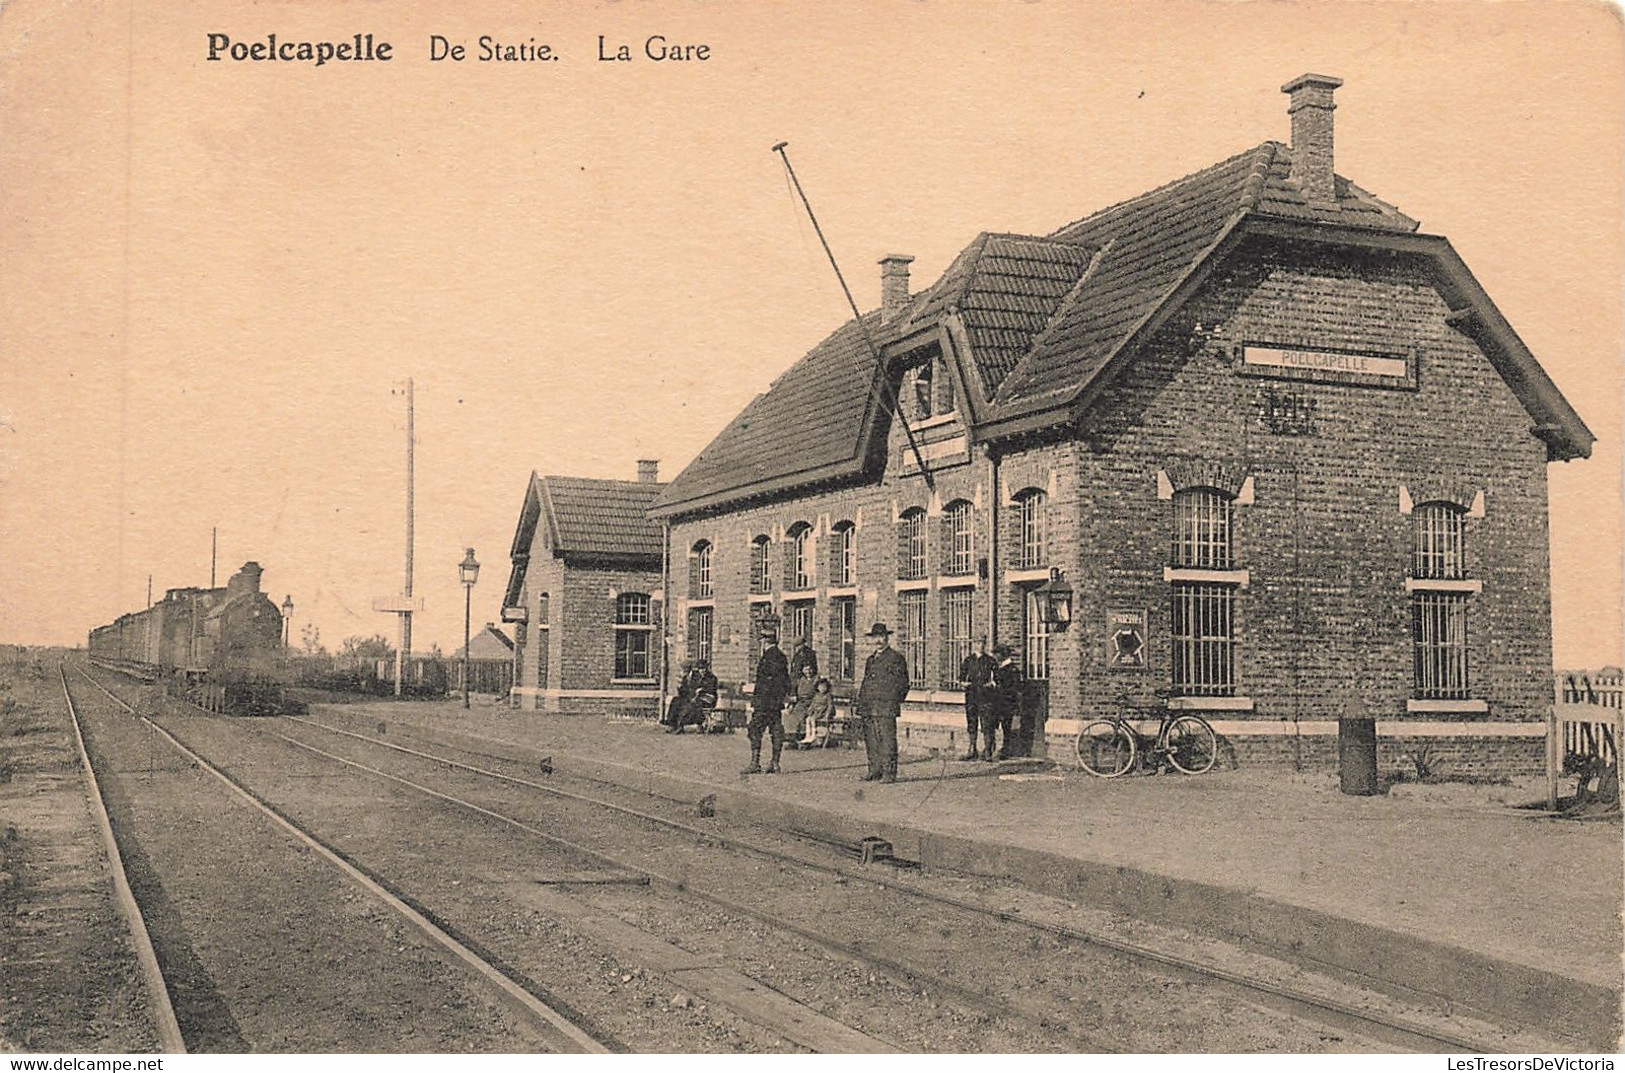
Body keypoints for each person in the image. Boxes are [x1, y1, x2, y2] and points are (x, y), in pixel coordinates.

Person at [857, 622, 910, 782]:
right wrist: (861, 702)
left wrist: (893, 700)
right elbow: (866, 682)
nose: (878, 640)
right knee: (871, 739)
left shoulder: (895, 658)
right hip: (869, 706)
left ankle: (889, 772)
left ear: (887, 638)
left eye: (881, 636)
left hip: (886, 706)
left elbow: (903, 683)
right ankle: (874, 770)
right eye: (875, 637)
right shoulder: (870, 660)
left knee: (887, 740)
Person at [743, 631, 791, 774]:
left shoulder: (768, 657)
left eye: (762, 640)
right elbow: (785, 680)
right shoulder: (781, 656)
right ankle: (775, 763)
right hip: (775, 702)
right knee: (776, 730)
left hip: (764, 701)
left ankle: (755, 763)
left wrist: (759, 699)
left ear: (765, 641)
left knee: (754, 729)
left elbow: (766, 682)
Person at [958, 637, 997, 761]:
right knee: (972, 721)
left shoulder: (990, 661)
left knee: (986, 723)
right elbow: (961, 677)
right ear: (973, 645)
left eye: (981, 643)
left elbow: (996, 678)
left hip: (986, 696)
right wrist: (963, 683)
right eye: (977, 643)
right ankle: (972, 748)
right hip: (971, 696)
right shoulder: (968, 661)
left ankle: (988, 750)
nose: (979, 645)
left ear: (984, 644)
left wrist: (992, 684)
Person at [990, 644, 1025, 759]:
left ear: (1002, 655)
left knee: (1007, 727)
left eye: (996, 654)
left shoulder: (1011, 669)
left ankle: (1006, 749)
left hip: (1007, 703)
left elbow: (1015, 687)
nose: (995, 657)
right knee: (998, 725)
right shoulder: (1002, 668)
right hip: (1000, 702)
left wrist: (999, 687)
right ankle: (996, 748)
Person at [678, 659, 718, 733]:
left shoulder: (711, 677)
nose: (702, 671)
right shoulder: (697, 677)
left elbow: (712, 689)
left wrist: (702, 689)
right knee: (681, 702)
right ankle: (676, 724)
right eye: (700, 669)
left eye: (704, 668)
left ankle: (695, 724)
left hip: (709, 698)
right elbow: (692, 688)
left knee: (695, 704)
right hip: (698, 698)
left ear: (707, 668)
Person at [785, 662, 818, 747]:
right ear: (803, 670)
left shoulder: (816, 680)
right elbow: (795, 693)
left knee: (803, 715)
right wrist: (791, 704)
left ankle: (804, 739)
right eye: (806, 669)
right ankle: (792, 738)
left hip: (812, 703)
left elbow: (819, 694)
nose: (808, 671)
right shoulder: (801, 680)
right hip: (800, 702)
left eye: (810, 669)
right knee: (792, 714)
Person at [799, 677, 835, 747]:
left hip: (822, 712)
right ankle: (808, 735)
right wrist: (809, 710)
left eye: (824, 687)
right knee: (808, 719)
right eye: (821, 687)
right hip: (815, 712)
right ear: (817, 687)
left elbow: (830, 706)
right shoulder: (816, 695)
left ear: (827, 687)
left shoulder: (828, 696)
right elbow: (812, 705)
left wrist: (827, 714)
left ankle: (813, 735)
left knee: (812, 719)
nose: (822, 688)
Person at [664, 659, 696, 732]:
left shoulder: (696, 676)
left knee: (684, 707)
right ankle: (671, 724)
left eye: (686, 668)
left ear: (690, 668)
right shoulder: (684, 677)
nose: (684, 670)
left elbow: (696, 688)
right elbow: (683, 691)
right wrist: (680, 687)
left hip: (694, 697)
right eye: (683, 668)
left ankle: (680, 726)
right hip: (686, 697)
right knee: (675, 701)